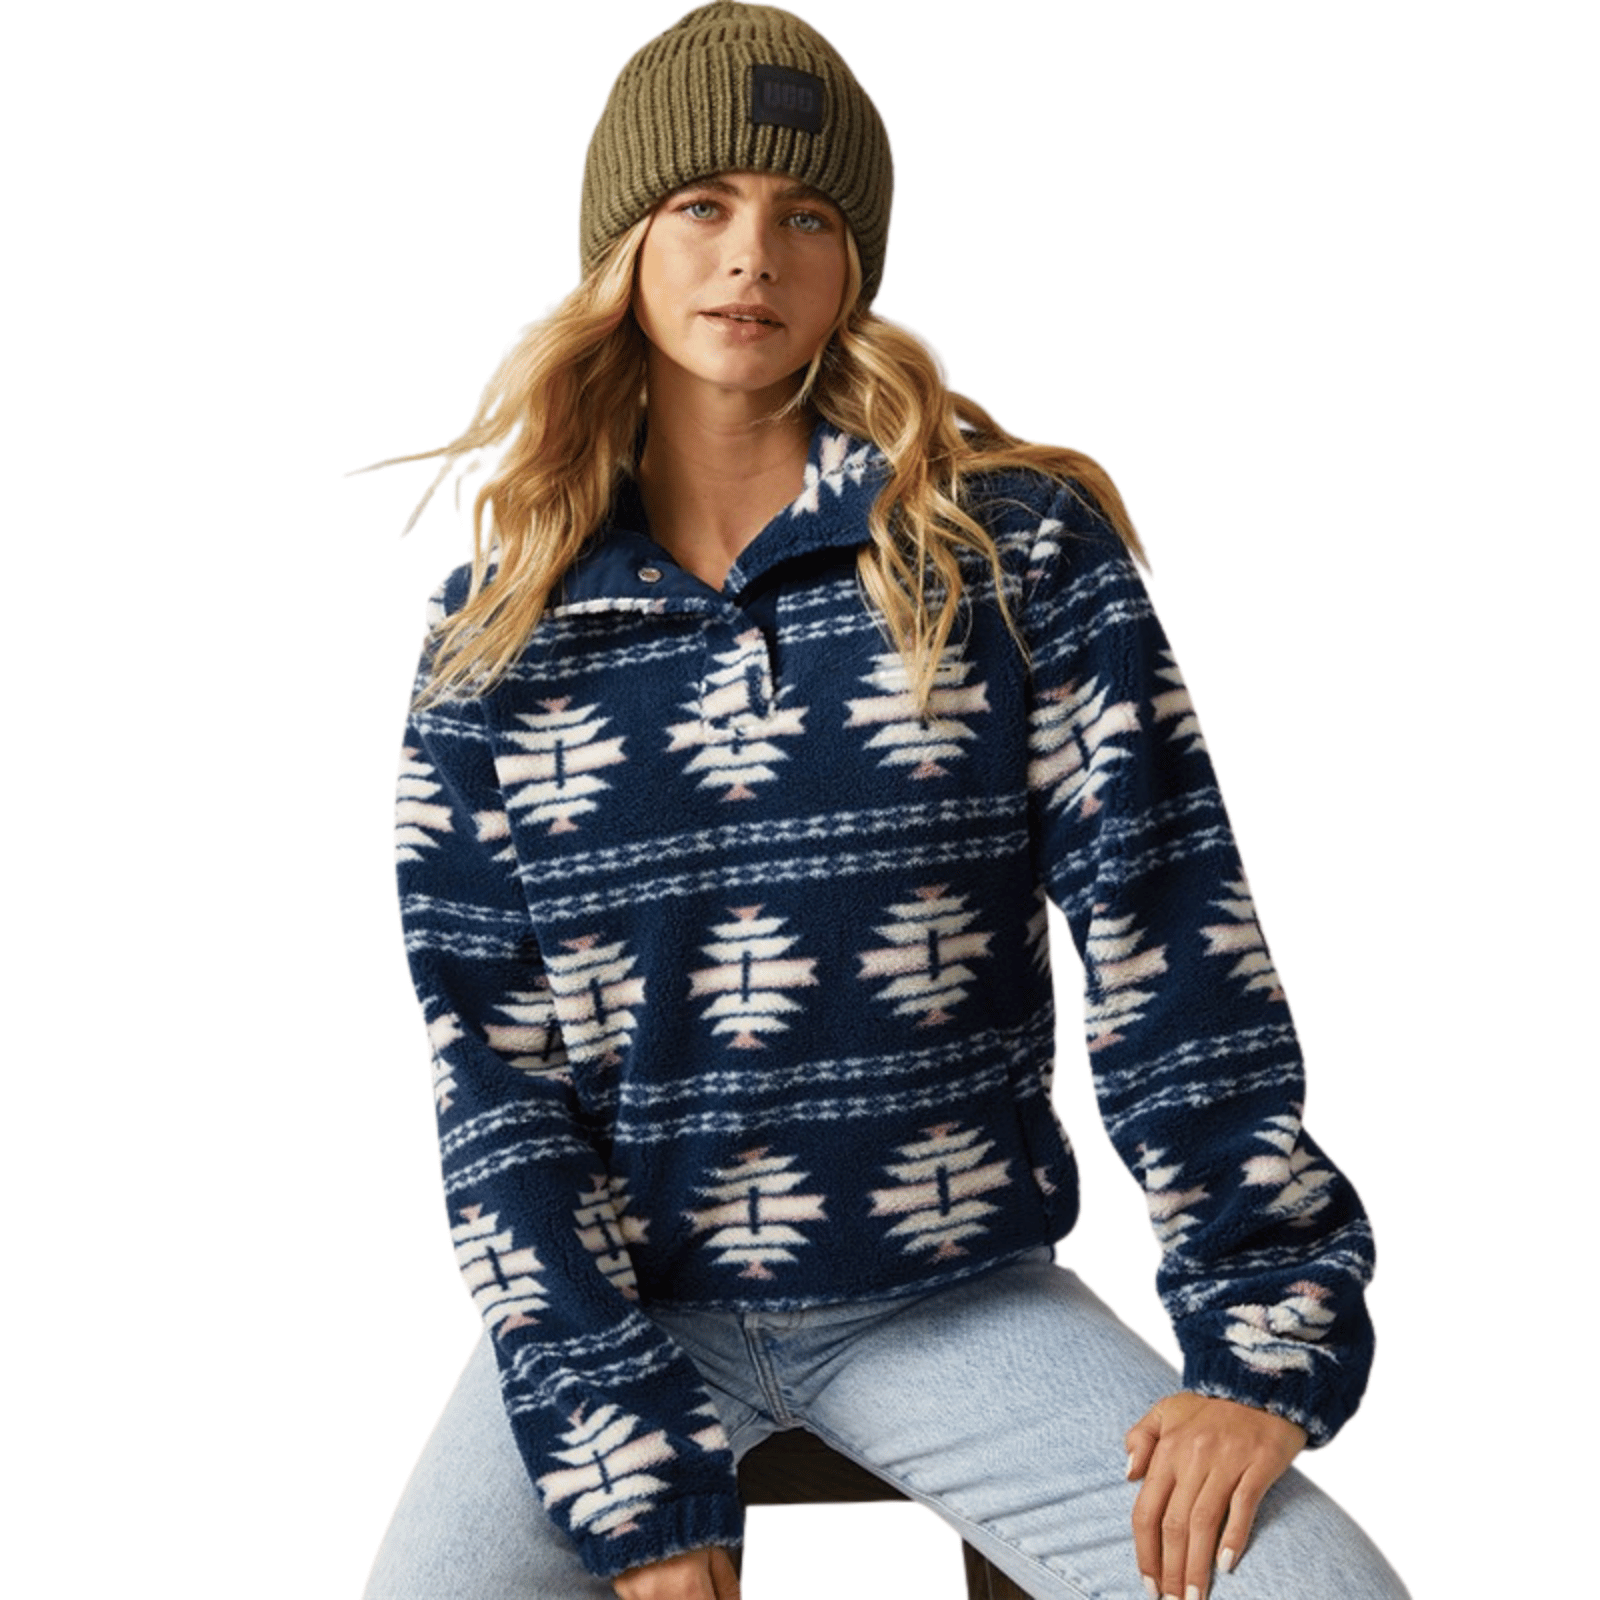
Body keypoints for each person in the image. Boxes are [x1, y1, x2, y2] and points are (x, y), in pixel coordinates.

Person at [368, 6, 1408, 1599]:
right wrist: (628, 1471)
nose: (751, 256)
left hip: (951, 1297)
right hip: (629, 1323)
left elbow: (1170, 933)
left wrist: (1263, 1338)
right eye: (701, 205)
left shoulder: (1009, 555)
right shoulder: (499, 639)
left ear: (854, 263)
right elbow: (496, 1084)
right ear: (622, 249)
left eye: (806, 215)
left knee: (1322, 1593)